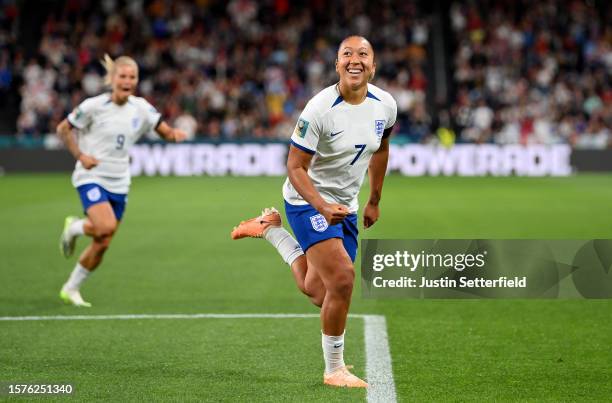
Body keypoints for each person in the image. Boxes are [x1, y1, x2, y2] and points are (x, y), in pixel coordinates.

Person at [231, 36, 396, 388]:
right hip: (308, 201)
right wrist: (321, 205)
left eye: (363, 54)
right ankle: (334, 369)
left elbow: (381, 149)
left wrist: (374, 199)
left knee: (319, 291)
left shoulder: (386, 105)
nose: (355, 60)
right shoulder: (319, 109)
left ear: (373, 64)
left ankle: (270, 230)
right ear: (337, 65)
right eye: (347, 54)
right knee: (343, 281)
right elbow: (294, 167)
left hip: (346, 207)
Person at [57, 54, 187, 307]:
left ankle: (71, 288)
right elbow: (63, 129)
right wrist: (80, 155)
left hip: (120, 182)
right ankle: (74, 228)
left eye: (132, 77)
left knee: (103, 242)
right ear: (112, 79)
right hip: (91, 176)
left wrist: (174, 135)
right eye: (123, 76)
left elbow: (165, 131)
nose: (127, 81)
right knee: (105, 227)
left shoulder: (141, 108)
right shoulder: (93, 106)